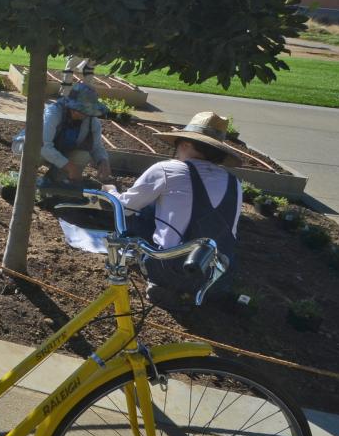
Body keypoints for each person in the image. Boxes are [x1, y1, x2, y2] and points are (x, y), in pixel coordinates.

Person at [108, 111, 244, 309]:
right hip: (217, 277)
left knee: (139, 213)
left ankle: (157, 279)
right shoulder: (234, 182)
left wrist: (111, 191)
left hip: (172, 269)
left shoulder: (168, 169)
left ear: (186, 144)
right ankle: (196, 293)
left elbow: (125, 206)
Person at [39, 82, 112, 185]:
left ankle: (56, 180)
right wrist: (70, 167)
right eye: (82, 109)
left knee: (83, 155)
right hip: (35, 148)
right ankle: (27, 181)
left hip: (63, 152)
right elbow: (43, 146)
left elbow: (97, 147)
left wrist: (103, 161)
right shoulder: (53, 113)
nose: (86, 113)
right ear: (73, 107)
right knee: (36, 153)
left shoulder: (91, 121)